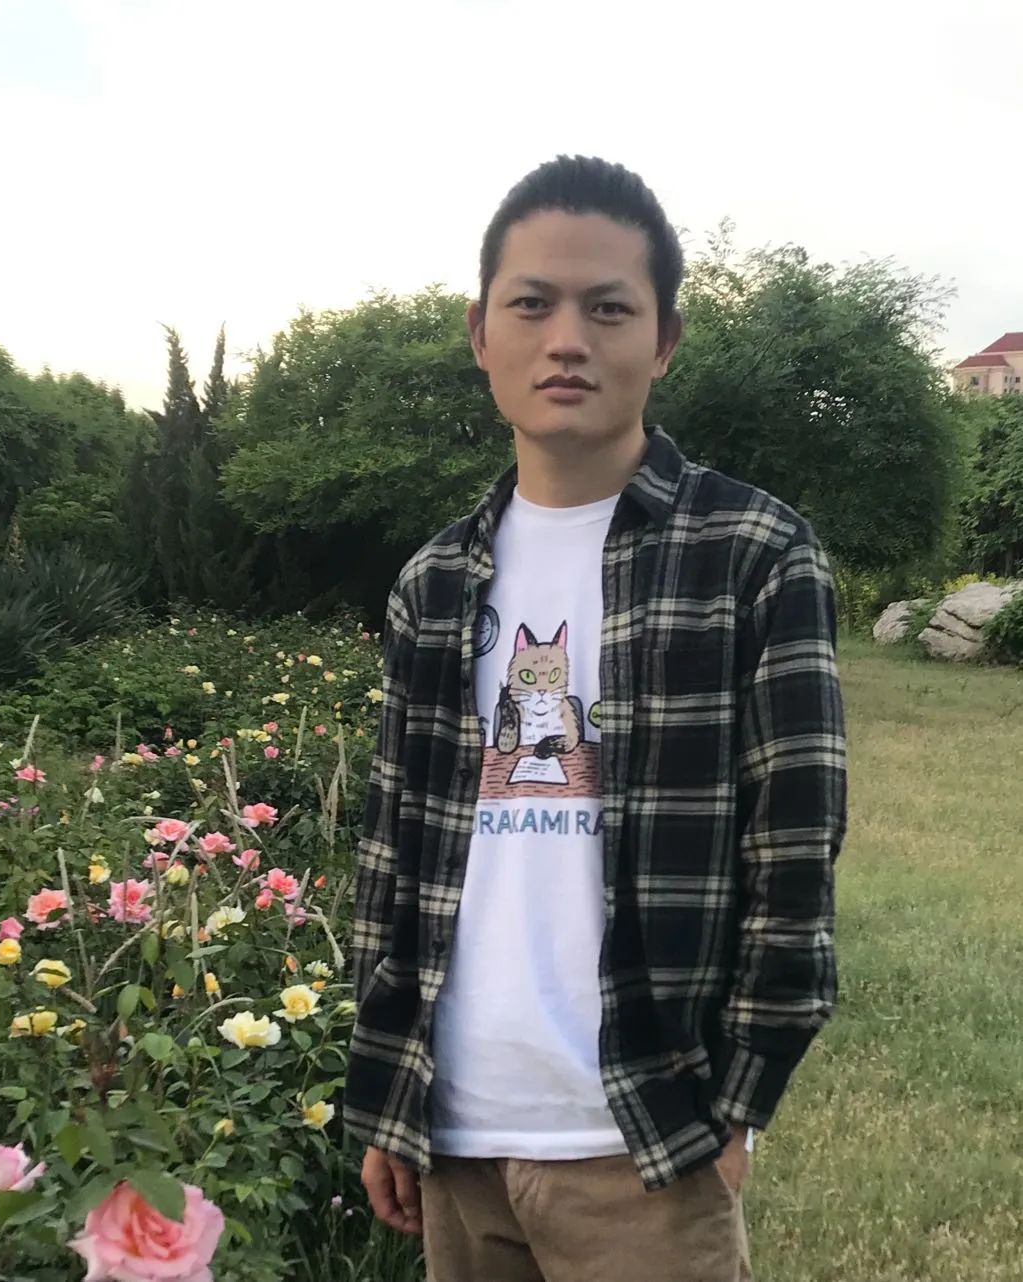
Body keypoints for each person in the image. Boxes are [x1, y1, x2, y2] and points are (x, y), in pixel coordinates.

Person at [344, 155, 847, 1282]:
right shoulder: (433, 581)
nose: (565, 339)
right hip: (458, 1128)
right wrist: (386, 1088)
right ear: (480, 332)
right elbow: (391, 855)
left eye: (608, 308)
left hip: (644, 1138)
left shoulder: (751, 554)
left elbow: (794, 847)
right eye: (531, 303)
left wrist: (739, 1098)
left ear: (663, 339)